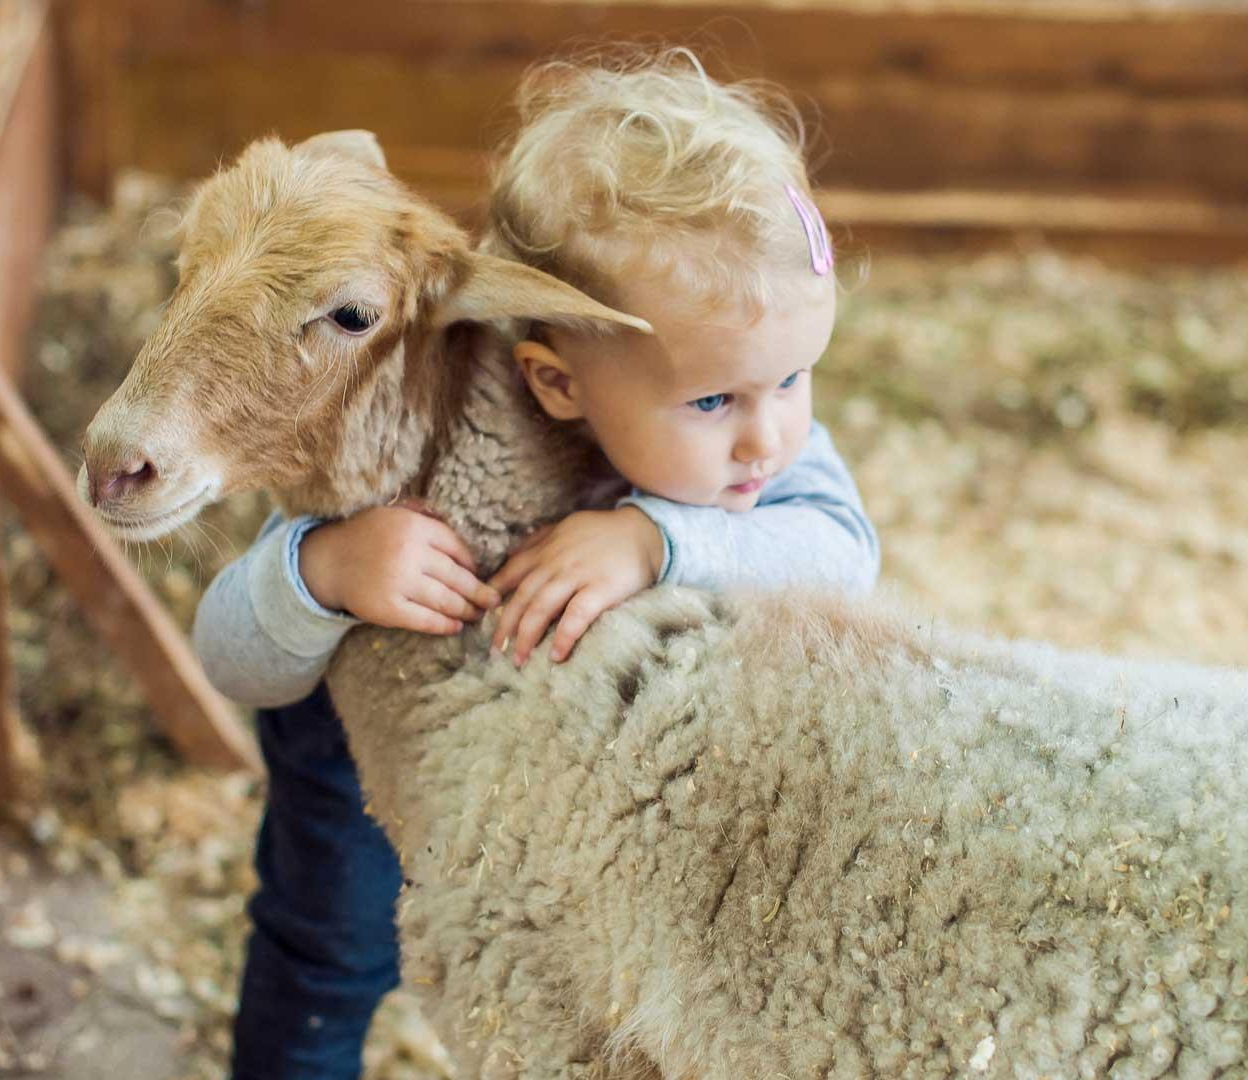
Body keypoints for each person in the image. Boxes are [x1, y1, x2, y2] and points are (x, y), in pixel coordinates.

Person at [196, 47, 880, 1079]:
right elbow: (229, 655)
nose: (766, 437)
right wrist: (325, 571)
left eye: (795, 378)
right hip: (365, 788)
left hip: (569, 816)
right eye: (715, 402)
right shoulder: (411, 433)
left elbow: (843, 562)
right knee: (323, 960)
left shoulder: (763, 461)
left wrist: (658, 538)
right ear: (555, 382)